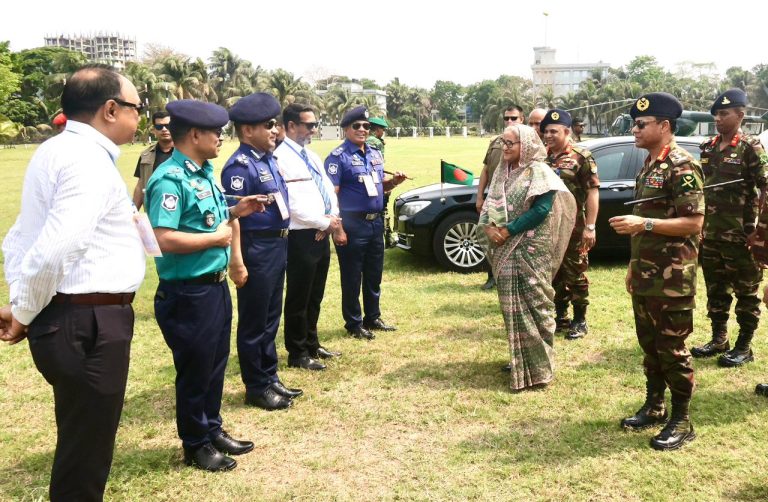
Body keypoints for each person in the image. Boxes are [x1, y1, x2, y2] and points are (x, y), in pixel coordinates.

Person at [0, 64, 146, 501]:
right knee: (86, 450)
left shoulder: (58, 151)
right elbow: (55, 249)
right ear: (110, 109)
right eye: (137, 108)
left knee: (83, 439)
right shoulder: (85, 162)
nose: (140, 116)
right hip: (89, 322)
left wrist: (23, 304)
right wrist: (25, 311)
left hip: (79, 317)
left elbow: (20, 237)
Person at [146, 99, 265, 472]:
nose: (220, 139)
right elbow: (162, 237)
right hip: (187, 292)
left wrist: (234, 212)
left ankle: (212, 428)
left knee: (215, 364)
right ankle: (195, 443)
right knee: (195, 369)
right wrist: (215, 240)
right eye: (216, 132)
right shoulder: (169, 179)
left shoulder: (202, 173)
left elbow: (208, 221)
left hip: (212, 288)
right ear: (194, 134)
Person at [609, 92, 703, 451]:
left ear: (664, 126)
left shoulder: (682, 165)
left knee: (672, 348)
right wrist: (634, 265)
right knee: (650, 346)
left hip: (673, 277)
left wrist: (643, 223)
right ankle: (655, 405)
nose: (635, 129)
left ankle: (682, 419)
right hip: (647, 273)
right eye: (635, 123)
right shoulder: (650, 164)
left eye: (641, 124)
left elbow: (694, 222)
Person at [477, 124, 576, 391]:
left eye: (510, 143)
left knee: (536, 307)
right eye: (502, 143)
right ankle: (520, 359)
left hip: (530, 249)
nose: (505, 148)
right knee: (512, 308)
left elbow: (541, 210)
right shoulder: (503, 171)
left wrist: (508, 230)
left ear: (527, 145)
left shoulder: (540, 172)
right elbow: (490, 204)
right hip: (504, 248)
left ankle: (540, 369)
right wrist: (489, 227)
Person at [221, 92, 302, 410]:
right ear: (246, 131)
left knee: (271, 316)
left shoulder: (268, 160)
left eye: (275, 124)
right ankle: (256, 386)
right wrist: (237, 260)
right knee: (255, 320)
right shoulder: (239, 168)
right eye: (267, 125)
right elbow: (233, 216)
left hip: (277, 243)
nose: (274, 130)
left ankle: (269, 376)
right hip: (257, 246)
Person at [690, 89, 768, 367]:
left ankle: (744, 346)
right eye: (716, 115)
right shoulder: (708, 148)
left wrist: (759, 230)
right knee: (716, 290)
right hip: (711, 234)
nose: (718, 119)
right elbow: (702, 190)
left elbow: (765, 187)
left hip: (741, 236)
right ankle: (719, 338)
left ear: (740, 115)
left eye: (724, 114)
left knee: (747, 292)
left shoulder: (751, 147)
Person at [324, 106, 407, 340]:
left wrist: (394, 182)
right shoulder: (338, 157)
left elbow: (380, 185)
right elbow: (332, 195)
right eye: (357, 126)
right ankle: (353, 322)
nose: (362, 130)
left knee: (373, 272)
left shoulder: (373, 153)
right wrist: (337, 227)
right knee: (352, 275)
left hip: (375, 223)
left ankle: (373, 316)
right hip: (352, 224)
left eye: (367, 126)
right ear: (346, 129)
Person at [276, 103, 342, 370]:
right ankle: (297, 352)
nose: (314, 129)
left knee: (315, 293)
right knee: (299, 296)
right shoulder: (280, 157)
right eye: (309, 125)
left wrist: (331, 220)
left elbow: (326, 188)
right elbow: (290, 203)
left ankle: (312, 343)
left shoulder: (311, 156)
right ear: (292, 126)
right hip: (301, 236)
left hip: (321, 232)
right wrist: (322, 222)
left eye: (315, 124)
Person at [541, 108, 599, 340]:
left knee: (575, 273)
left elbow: (593, 191)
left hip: (574, 226)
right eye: (545, 131)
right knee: (553, 273)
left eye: (554, 131)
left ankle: (580, 319)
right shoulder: (541, 157)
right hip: (546, 227)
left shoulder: (581, 156)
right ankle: (560, 316)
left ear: (567, 131)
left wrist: (590, 226)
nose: (548, 135)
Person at [476, 105, 524, 290]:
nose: (510, 121)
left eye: (514, 118)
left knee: (513, 238)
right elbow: (486, 169)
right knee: (491, 236)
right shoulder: (496, 142)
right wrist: (480, 197)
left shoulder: (528, 144)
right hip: (495, 198)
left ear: (522, 119)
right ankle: (492, 276)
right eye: (507, 118)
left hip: (516, 199)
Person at [132, 110, 173, 210]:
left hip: (181, 213)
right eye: (159, 126)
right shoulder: (146, 155)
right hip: (154, 210)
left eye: (168, 126)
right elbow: (140, 185)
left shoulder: (185, 153)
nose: (164, 129)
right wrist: (133, 213)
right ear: (154, 130)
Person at [367, 116, 397, 248]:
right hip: (376, 180)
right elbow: (378, 164)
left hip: (367, 181)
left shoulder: (365, 140)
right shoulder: (376, 142)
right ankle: (388, 238)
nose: (383, 132)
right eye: (382, 129)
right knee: (382, 211)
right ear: (377, 129)